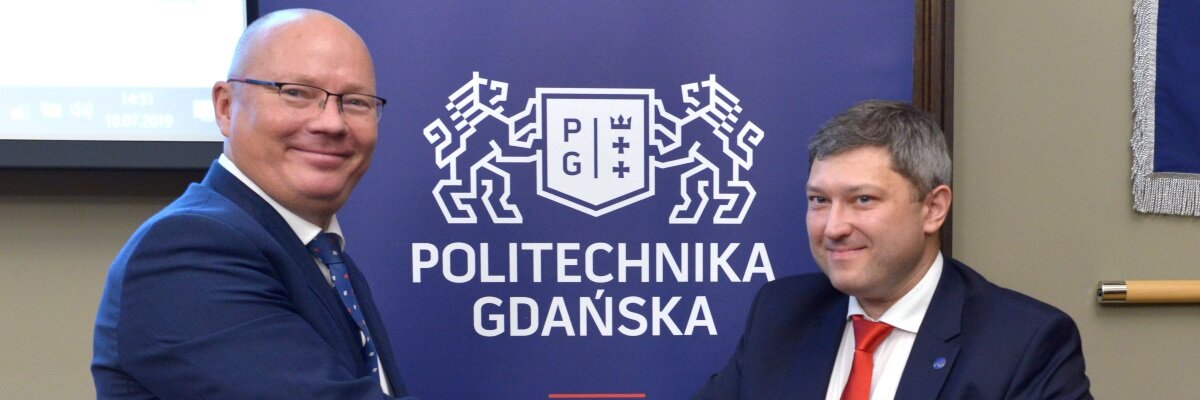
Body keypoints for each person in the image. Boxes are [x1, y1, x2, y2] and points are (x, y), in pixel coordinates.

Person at [91, 9, 409, 399]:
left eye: (356, 102)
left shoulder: (324, 256)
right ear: (225, 107)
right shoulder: (189, 249)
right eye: (296, 93)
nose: (331, 123)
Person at [693, 100, 1091, 399]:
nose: (833, 227)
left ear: (933, 208)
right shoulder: (781, 314)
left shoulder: (1023, 342)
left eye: (863, 200)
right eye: (819, 200)